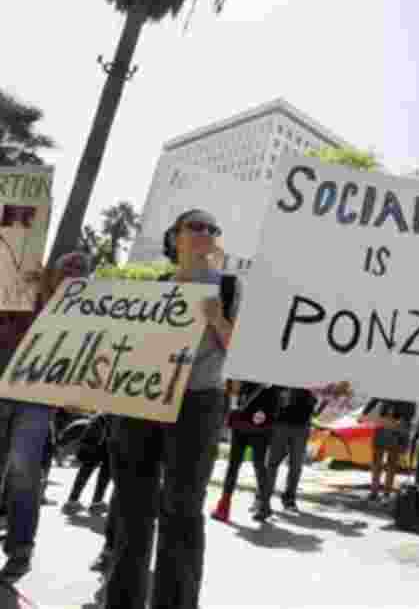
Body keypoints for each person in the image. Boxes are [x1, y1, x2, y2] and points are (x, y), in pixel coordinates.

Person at [104, 209, 238, 609]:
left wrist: (217, 319)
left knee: (182, 509)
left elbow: (243, 353)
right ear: (174, 237)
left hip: (199, 402)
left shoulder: (231, 287)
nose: (206, 232)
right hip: (143, 402)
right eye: (196, 226)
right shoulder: (155, 287)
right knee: (132, 507)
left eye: (213, 228)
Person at [0, 250, 91, 584]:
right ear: (52, 271)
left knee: (24, 474)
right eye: (68, 266)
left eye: (81, 270)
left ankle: (20, 549)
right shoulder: (21, 294)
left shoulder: (83, 315)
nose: (73, 271)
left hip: (37, 401)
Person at [211, 381, 279, 523]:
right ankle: (264, 506)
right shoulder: (276, 369)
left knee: (235, 465)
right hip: (260, 421)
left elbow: (234, 389)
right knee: (258, 466)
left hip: (245, 420)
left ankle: (224, 508)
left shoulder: (246, 365)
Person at [266, 386, 318, 511]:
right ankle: (263, 498)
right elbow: (274, 391)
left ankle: (289, 499)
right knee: (272, 463)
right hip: (281, 423)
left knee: (296, 465)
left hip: (302, 425)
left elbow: (320, 397)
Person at [358, 398, 417, 503]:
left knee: (392, 462)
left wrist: (406, 420)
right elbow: (375, 397)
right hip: (383, 421)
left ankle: (386, 494)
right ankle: (374, 492)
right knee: (376, 460)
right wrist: (364, 413)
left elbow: (412, 406)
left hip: (399, 424)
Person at [61, 413, 112, 515]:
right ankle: (96, 503)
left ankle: (72, 501)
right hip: (108, 440)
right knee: (104, 475)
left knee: (85, 472)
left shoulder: (101, 414)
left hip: (95, 439)